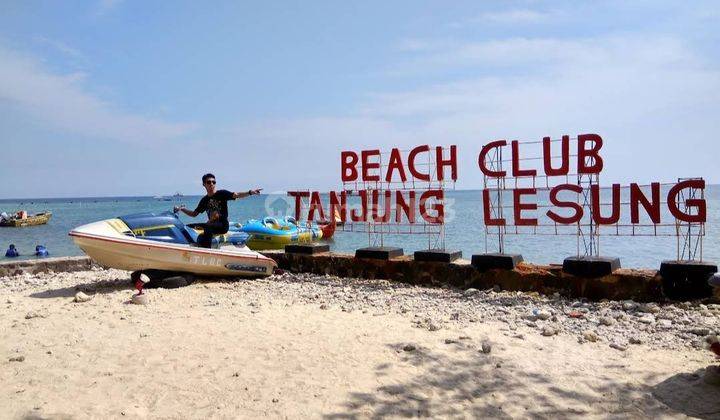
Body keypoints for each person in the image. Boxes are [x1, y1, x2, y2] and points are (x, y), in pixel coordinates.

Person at [174, 173, 261, 248]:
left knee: (207, 227)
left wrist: (250, 192)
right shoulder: (204, 200)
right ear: (204, 184)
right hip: (211, 225)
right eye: (209, 182)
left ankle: (206, 251)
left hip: (222, 225)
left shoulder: (221, 194)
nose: (211, 184)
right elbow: (194, 214)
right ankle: (187, 246)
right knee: (188, 227)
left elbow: (237, 195)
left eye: (213, 182)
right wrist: (182, 209)